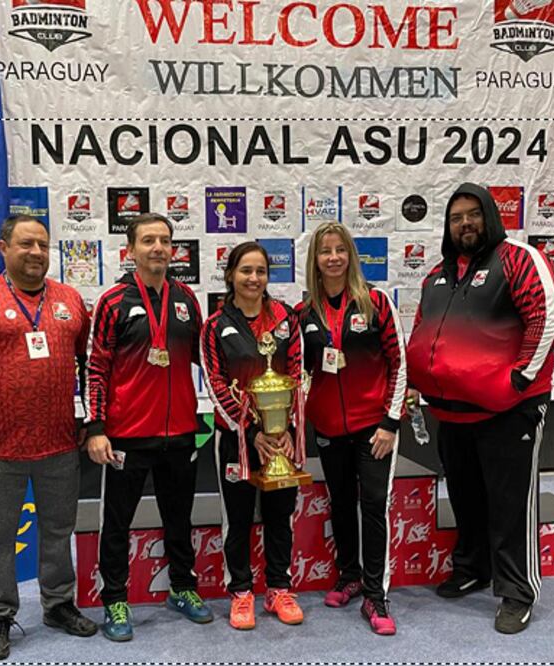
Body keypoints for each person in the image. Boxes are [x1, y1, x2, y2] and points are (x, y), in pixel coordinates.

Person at [406, 182, 554, 634]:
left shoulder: (517, 259)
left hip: (508, 410)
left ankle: (518, 590)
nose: (465, 224)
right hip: (453, 413)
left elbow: (545, 315)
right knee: (466, 497)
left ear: (490, 216)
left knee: (511, 503)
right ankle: (474, 566)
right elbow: (423, 330)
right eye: (456, 218)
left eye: (473, 214)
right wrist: (419, 381)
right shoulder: (437, 274)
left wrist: (520, 378)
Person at [0, 215, 97, 661]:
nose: (36, 252)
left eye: (43, 245)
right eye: (26, 243)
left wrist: (89, 420)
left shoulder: (69, 300)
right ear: (3, 247)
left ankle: (58, 605)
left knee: (57, 530)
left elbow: (89, 367)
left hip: (59, 444)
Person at [85, 212, 212, 641]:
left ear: (173, 250)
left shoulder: (187, 299)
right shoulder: (113, 302)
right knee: (118, 523)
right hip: (126, 435)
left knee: (179, 517)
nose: (158, 247)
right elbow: (97, 367)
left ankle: (182, 587)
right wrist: (97, 427)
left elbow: (205, 359)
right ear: (130, 250)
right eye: (148, 240)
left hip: (179, 431)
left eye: (164, 240)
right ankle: (115, 600)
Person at [298, 222, 407, 636]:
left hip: (373, 428)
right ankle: (349, 575)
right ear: (316, 260)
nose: (333, 257)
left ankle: (376, 597)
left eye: (340, 249)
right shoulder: (304, 312)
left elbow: (399, 365)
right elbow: (297, 372)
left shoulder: (376, 303)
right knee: (340, 502)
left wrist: (390, 422)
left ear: (351, 256)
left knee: (373, 506)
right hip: (328, 427)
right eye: (325, 251)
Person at [200, 241, 305, 631]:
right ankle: (241, 592)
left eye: (261, 271)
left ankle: (279, 587)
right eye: (246, 270)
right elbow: (213, 382)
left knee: (281, 516)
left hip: (282, 438)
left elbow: (297, 374)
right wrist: (250, 431)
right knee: (239, 517)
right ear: (230, 275)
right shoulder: (215, 325)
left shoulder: (286, 319)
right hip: (236, 437)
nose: (254, 278)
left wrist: (286, 427)